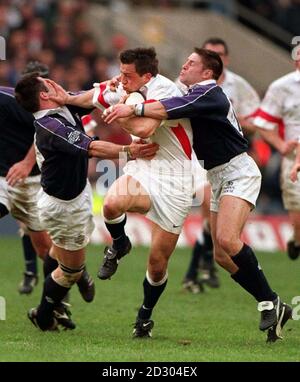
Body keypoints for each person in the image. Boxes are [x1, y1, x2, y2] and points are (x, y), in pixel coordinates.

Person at [103, 48, 292, 343]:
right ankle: (275, 303)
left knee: (229, 240)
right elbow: (162, 95)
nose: (184, 65)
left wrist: (132, 108)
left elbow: (164, 109)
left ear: (207, 73)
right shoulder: (189, 92)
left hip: (238, 171)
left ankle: (269, 302)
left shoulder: (210, 94)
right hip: (215, 175)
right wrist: (126, 84)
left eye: (191, 63)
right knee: (219, 254)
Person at [50, 47, 195, 338]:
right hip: (144, 167)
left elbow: (143, 128)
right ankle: (120, 244)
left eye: (128, 75)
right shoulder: (126, 85)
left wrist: (117, 110)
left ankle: (144, 316)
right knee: (111, 205)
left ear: (147, 76)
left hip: (176, 178)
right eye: (121, 72)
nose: (121, 78)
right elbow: (93, 96)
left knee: (157, 264)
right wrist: (66, 98)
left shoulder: (167, 91)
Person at [14, 73, 158, 331]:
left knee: (59, 251)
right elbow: (91, 147)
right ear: (44, 95)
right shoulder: (51, 127)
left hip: (71, 197)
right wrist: (130, 152)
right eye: (47, 82)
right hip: (64, 207)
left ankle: (63, 292)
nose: (53, 81)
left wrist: (117, 83)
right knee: (69, 270)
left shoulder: (63, 105)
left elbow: (93, 98)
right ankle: (44, 314)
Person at [0, 62, 97, 328]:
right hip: (2, 180)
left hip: (30, 179)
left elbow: (43, 128)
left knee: (47, 250)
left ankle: (59, 304)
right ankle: (59, 294)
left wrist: (25, 162)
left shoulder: (11, 101)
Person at [182, 37, 261, 293]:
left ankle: (197, 268)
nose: (186, 65)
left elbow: (257, 118)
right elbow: (168, 104)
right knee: (221, 252)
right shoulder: (184, 85)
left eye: (218, 54)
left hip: (232, 163)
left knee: (224, 235)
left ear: (220, 62)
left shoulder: (232, 88)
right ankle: (203, 265)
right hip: (203, 162)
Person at [254, 59, 300, 260]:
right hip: (293, 156)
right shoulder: (281, 87)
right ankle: (297, 237)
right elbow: (262, 123)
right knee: (297, 210)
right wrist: (281, 145)